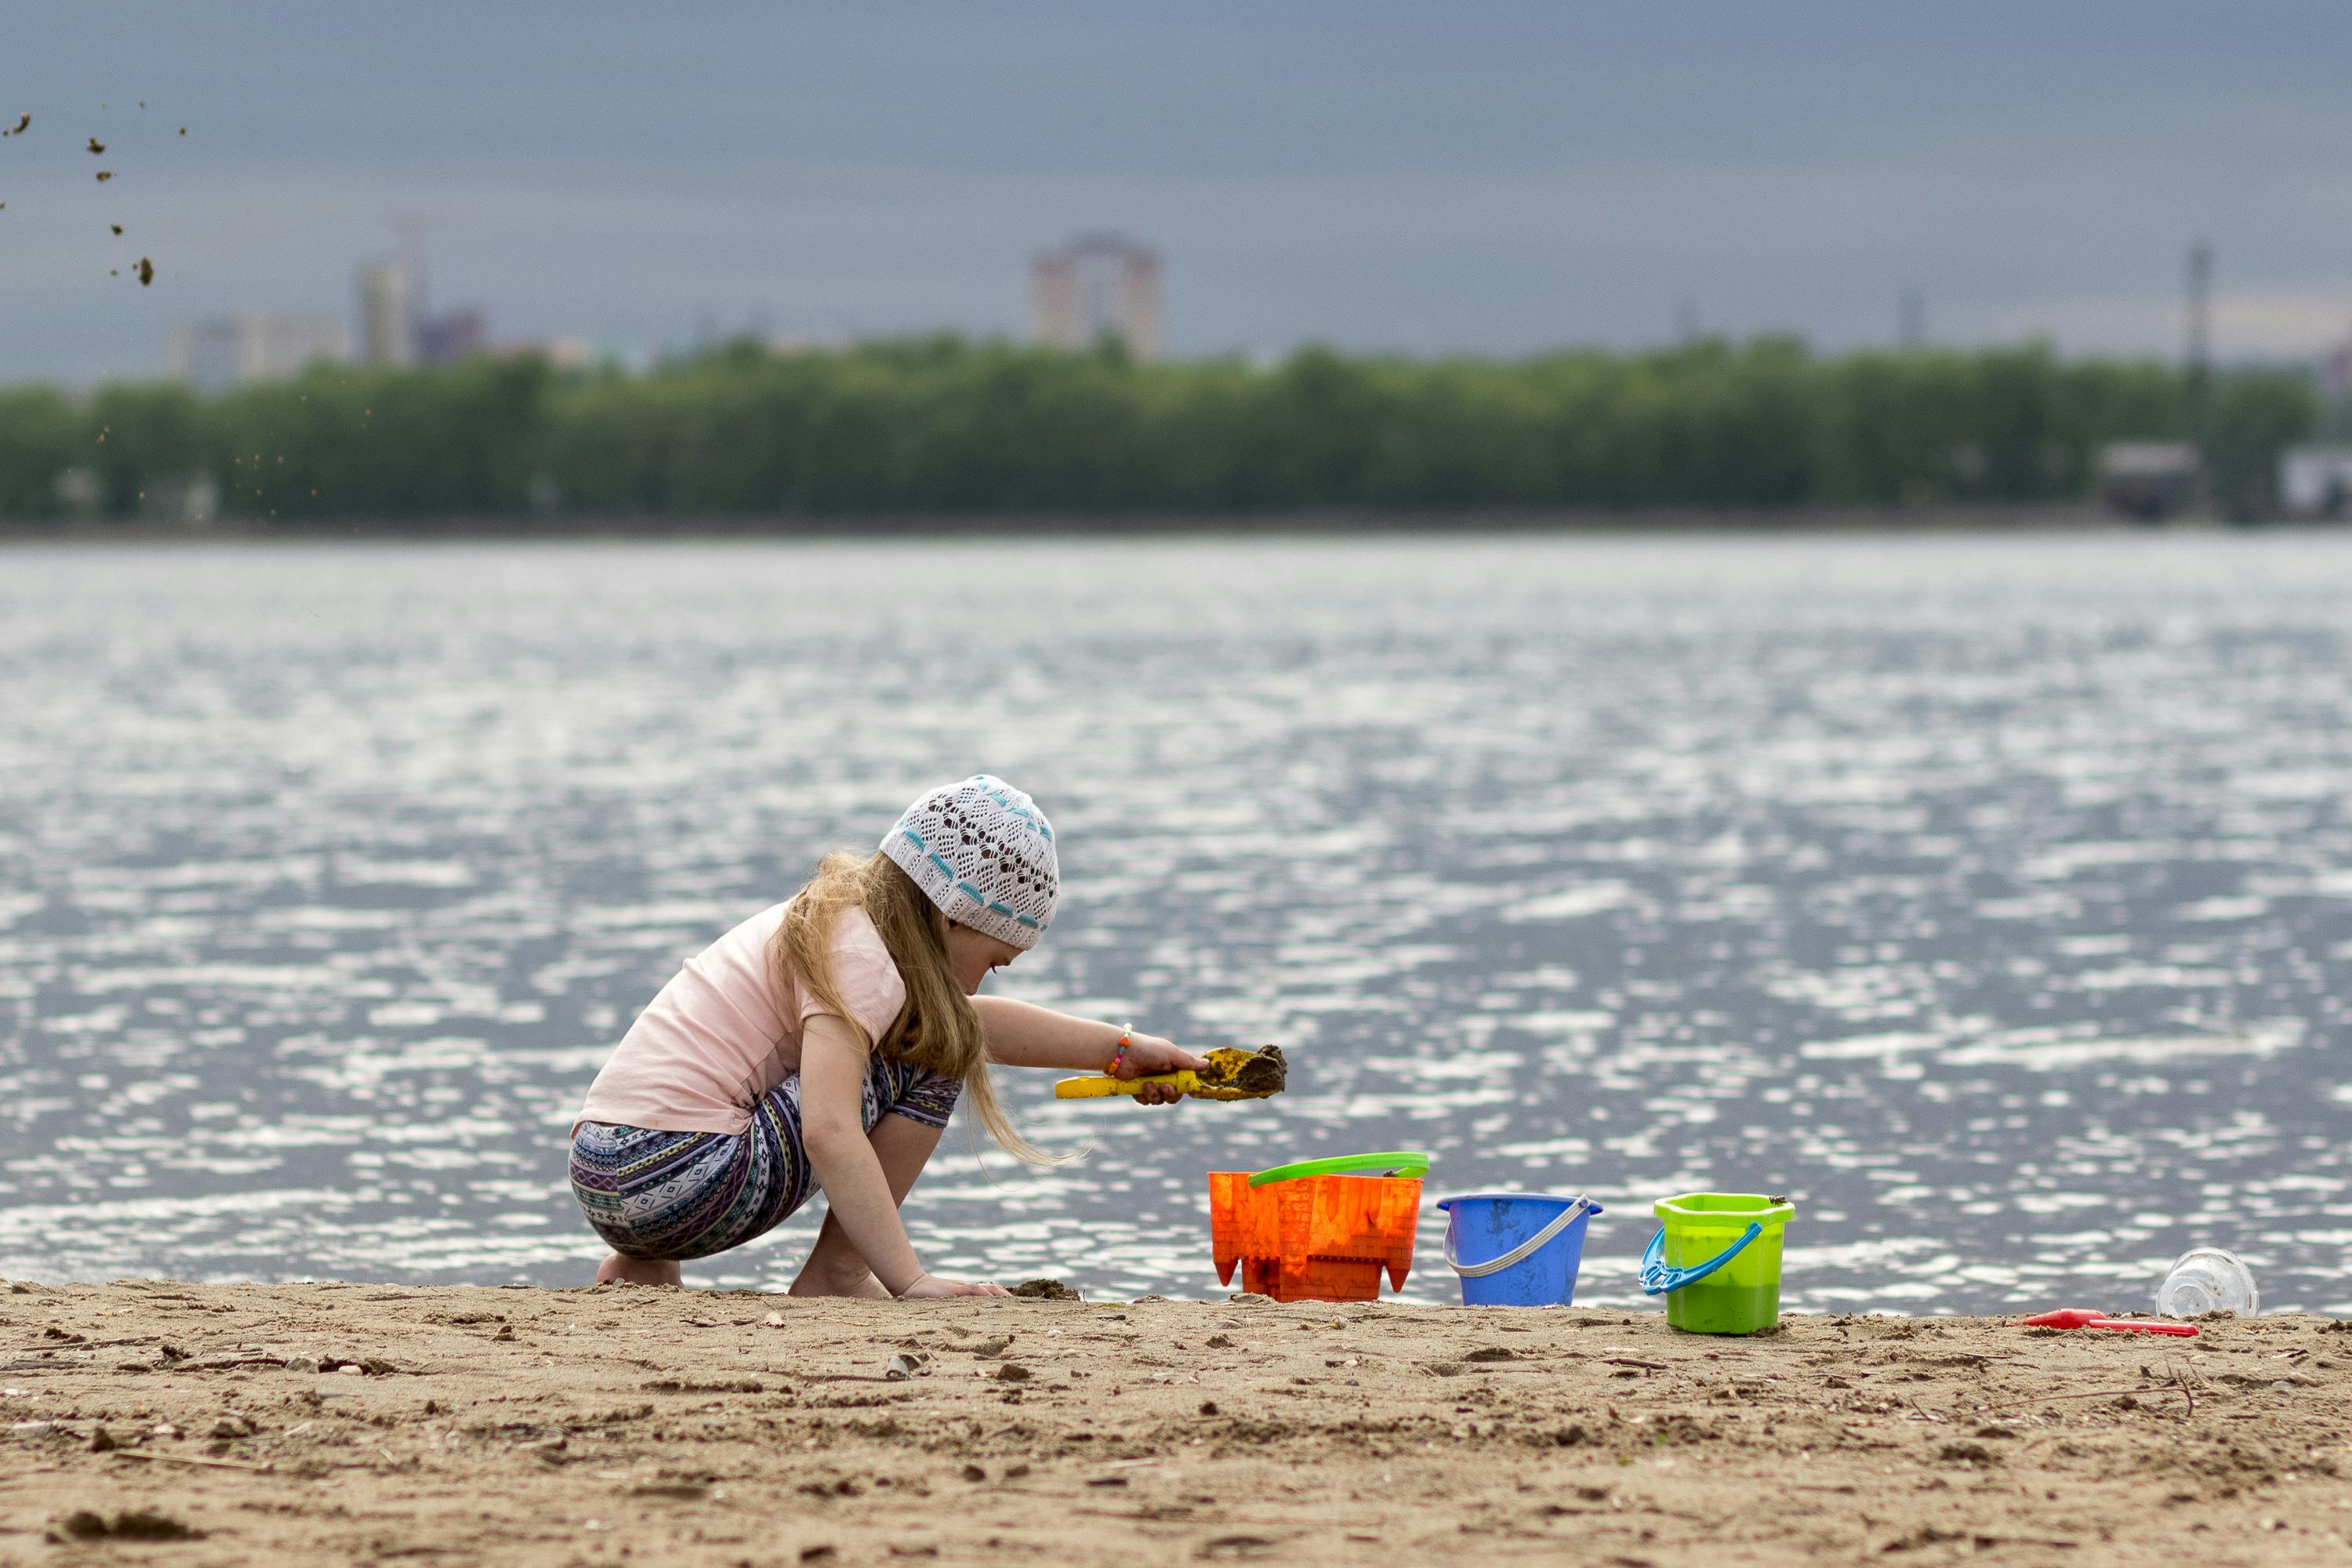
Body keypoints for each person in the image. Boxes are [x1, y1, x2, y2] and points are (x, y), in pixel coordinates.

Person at [568, 775, 1206, 1297]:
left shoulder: (837, 921)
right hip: (683, 1171)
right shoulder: (863, 960)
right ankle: (838, 1274)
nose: (980, 987)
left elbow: (972, 1018)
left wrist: (1120, 1052)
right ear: (952, 915)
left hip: (602, 1167)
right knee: (941, 1050)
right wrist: (910, 1279)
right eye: (992, 963)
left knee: (940, 1030)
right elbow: (828, 1127)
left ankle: (642, 1271)